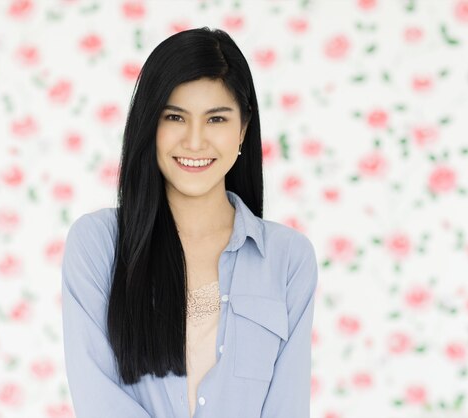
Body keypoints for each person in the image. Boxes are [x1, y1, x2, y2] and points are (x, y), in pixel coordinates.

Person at [61, 26, 319, 418]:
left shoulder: (288, 258)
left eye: (216, 119)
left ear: (243, 130)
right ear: (150, 125)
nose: (195, 141)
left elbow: (288, 406)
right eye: (175, 117)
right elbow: (98, 398)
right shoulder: (97, 244)